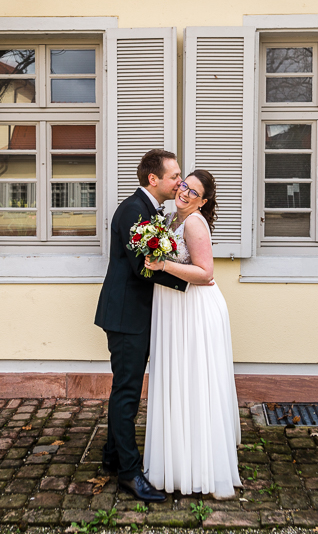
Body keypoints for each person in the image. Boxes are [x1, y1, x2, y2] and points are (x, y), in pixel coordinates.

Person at [94, 149, 188, 503]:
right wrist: (190, 284)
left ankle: (112, 456)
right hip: (126, 317)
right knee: (128, 393)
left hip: (133, 314)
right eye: (174, 176)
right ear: (154, 179)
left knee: (125, 389)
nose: (179, 182)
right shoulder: (134, 210)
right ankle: (130, 474)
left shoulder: (149, 211)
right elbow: (144, 267)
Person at [142, 170, 242, 499]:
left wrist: (163, 265)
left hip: (194, 310)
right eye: (184, 185)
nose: (185, 193)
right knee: (178, 381)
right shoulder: (171, 218)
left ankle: (198, 468)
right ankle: (177, 461)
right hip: (174, 307)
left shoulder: (195, 223)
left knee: (193, 382)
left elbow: (205, 273)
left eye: (194, 192)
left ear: (203, 201)